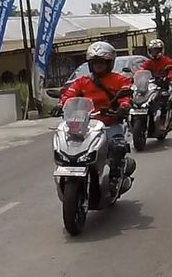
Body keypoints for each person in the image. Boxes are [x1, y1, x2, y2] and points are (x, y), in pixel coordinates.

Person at [56, 41, 136, 194]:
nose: (99, 66)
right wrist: (61, 104)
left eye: (102, 63)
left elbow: (126, 95)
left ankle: (115, 177)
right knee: (66, 145)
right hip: (84, 126)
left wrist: (123, 107)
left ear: (110, 63)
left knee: (117, 147)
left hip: (109, 123)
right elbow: (69, 95)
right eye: (96, 63)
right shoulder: (82, 81)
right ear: (90, 64)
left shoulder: (119, 80)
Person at [141, 38, 172, 121]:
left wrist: (169, 76)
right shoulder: (148, 62)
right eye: (152, 50)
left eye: (156, 50)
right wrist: (136, 77)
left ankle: (163, 118)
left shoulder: (166, 60)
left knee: (164, 96)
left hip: (163, 83)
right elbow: (141, 69)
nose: (154, 52)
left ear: (161, 50)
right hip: (151, 84)